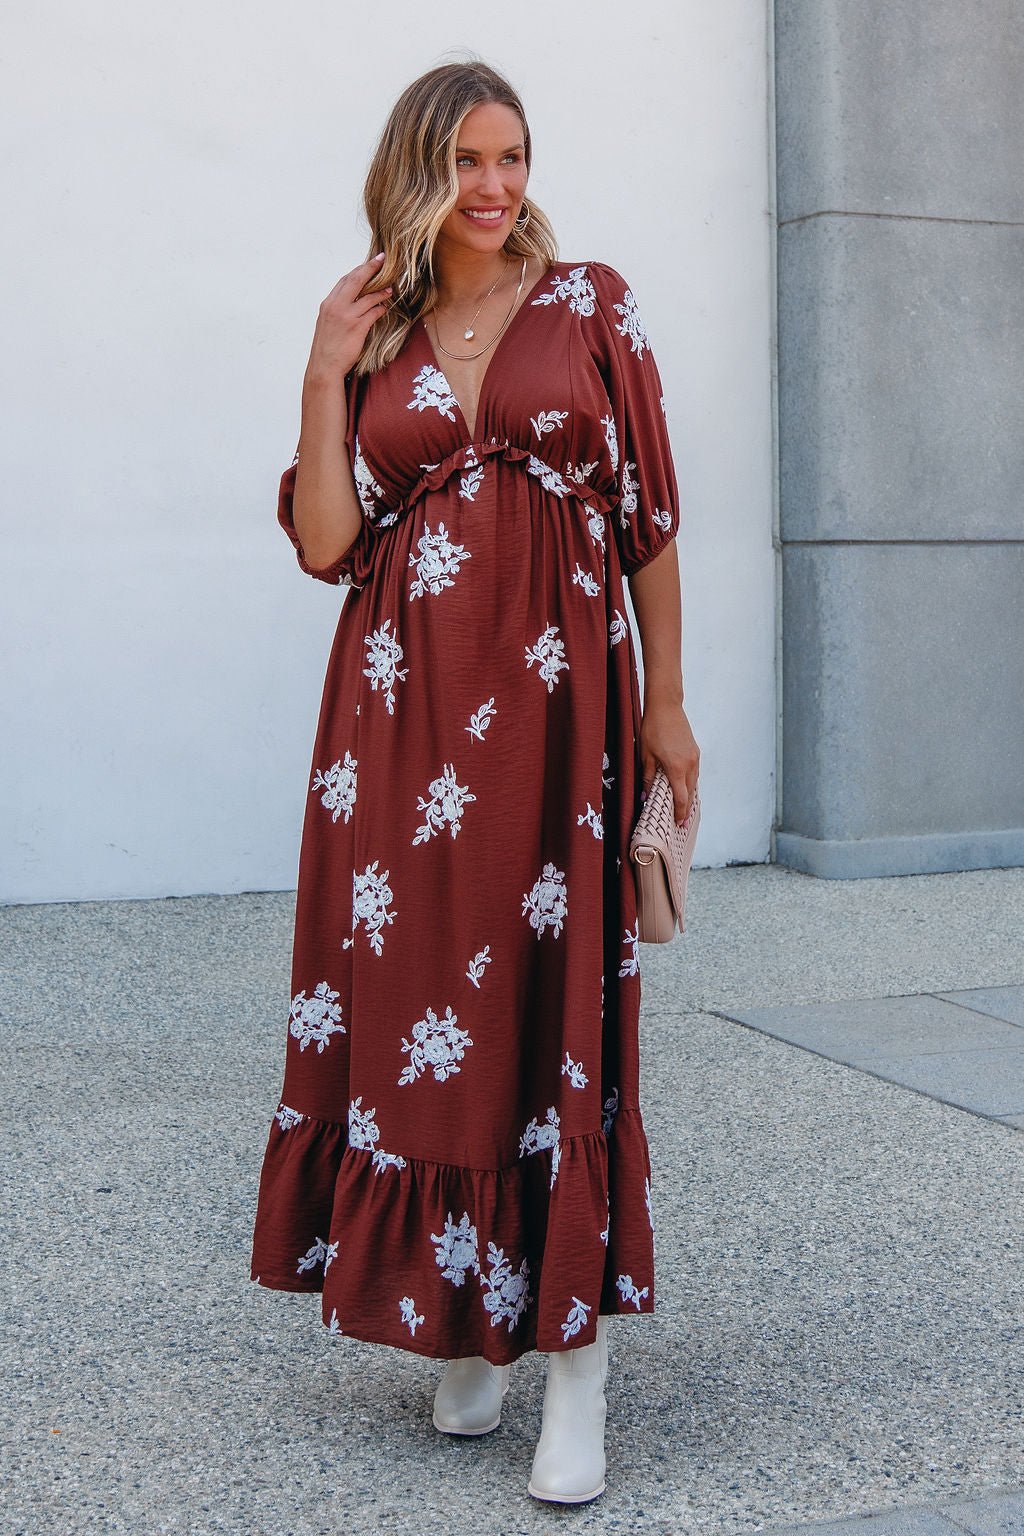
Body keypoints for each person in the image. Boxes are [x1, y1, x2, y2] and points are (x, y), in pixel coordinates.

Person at [249, 58, 700, 1505]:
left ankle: (577, 1368)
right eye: (468, 165)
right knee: (423, 1014)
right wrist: (324, 361)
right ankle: (468, 1321)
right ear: (418, 177)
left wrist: (670, 711)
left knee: (553, 1010)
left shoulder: (592, 305)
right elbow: (327, 541)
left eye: (513, 157)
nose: (498, 189)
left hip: (562, 718)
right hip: (396, 730)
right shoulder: (374, 334)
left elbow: (649, 523)